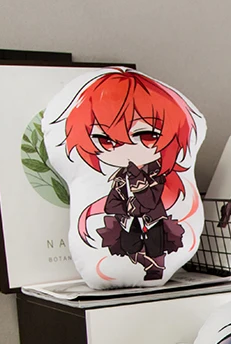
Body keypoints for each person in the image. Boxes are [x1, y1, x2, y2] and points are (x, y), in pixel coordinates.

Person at [61, 69, 200, 280]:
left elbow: (151, 200)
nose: (126, 147)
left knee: (155, 247)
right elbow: (111, 203)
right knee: (128, 247)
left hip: (153, 222)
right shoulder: (120, 179)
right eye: (107, 141)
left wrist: (140, 191)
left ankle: (154, 267)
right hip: (129, 222)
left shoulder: (156, 175)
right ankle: (148, 264)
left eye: (146, 135)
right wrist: (123, 208)